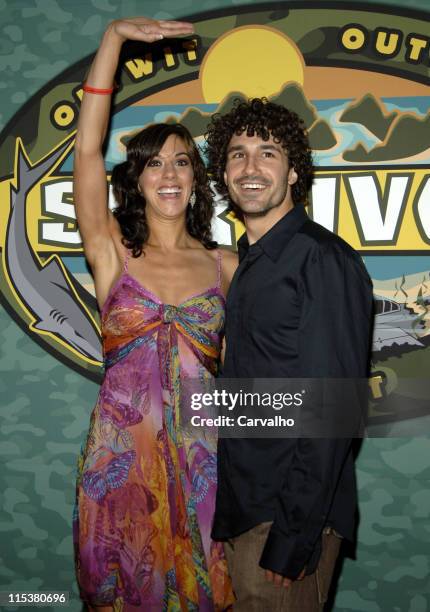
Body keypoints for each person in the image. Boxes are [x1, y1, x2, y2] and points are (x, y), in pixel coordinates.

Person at [72, 17, 236, 612]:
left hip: (208, 462)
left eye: (182, 163)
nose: (169, 175)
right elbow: (87, 150)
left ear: (197, 179)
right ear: (136, 179)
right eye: (154, 164)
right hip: (121, 465)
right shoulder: (113, 252)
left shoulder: (228, 266)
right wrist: (112, 39)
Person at [205, 98, 373, 610]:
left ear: (294, 171)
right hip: (243, 511)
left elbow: (335, 409)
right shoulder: (250, 263)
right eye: (237, 154)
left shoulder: (320, 260)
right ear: (223, 173)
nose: (250, 168)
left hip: (286, 522)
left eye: (268, 153)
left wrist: (294, 536)